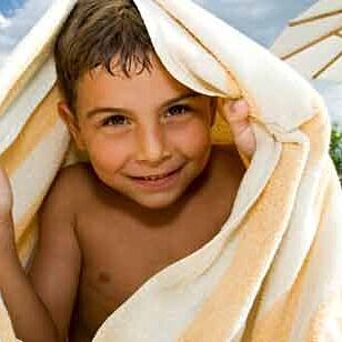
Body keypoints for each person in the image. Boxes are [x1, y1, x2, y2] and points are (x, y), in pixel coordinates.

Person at [0, 0, 256, 341]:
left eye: (176, 110)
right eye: (116, 120)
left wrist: (272, 169)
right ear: (75, 129)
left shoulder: (243, 176)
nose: (153, 152)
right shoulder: (74, 200)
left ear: (212, 108)